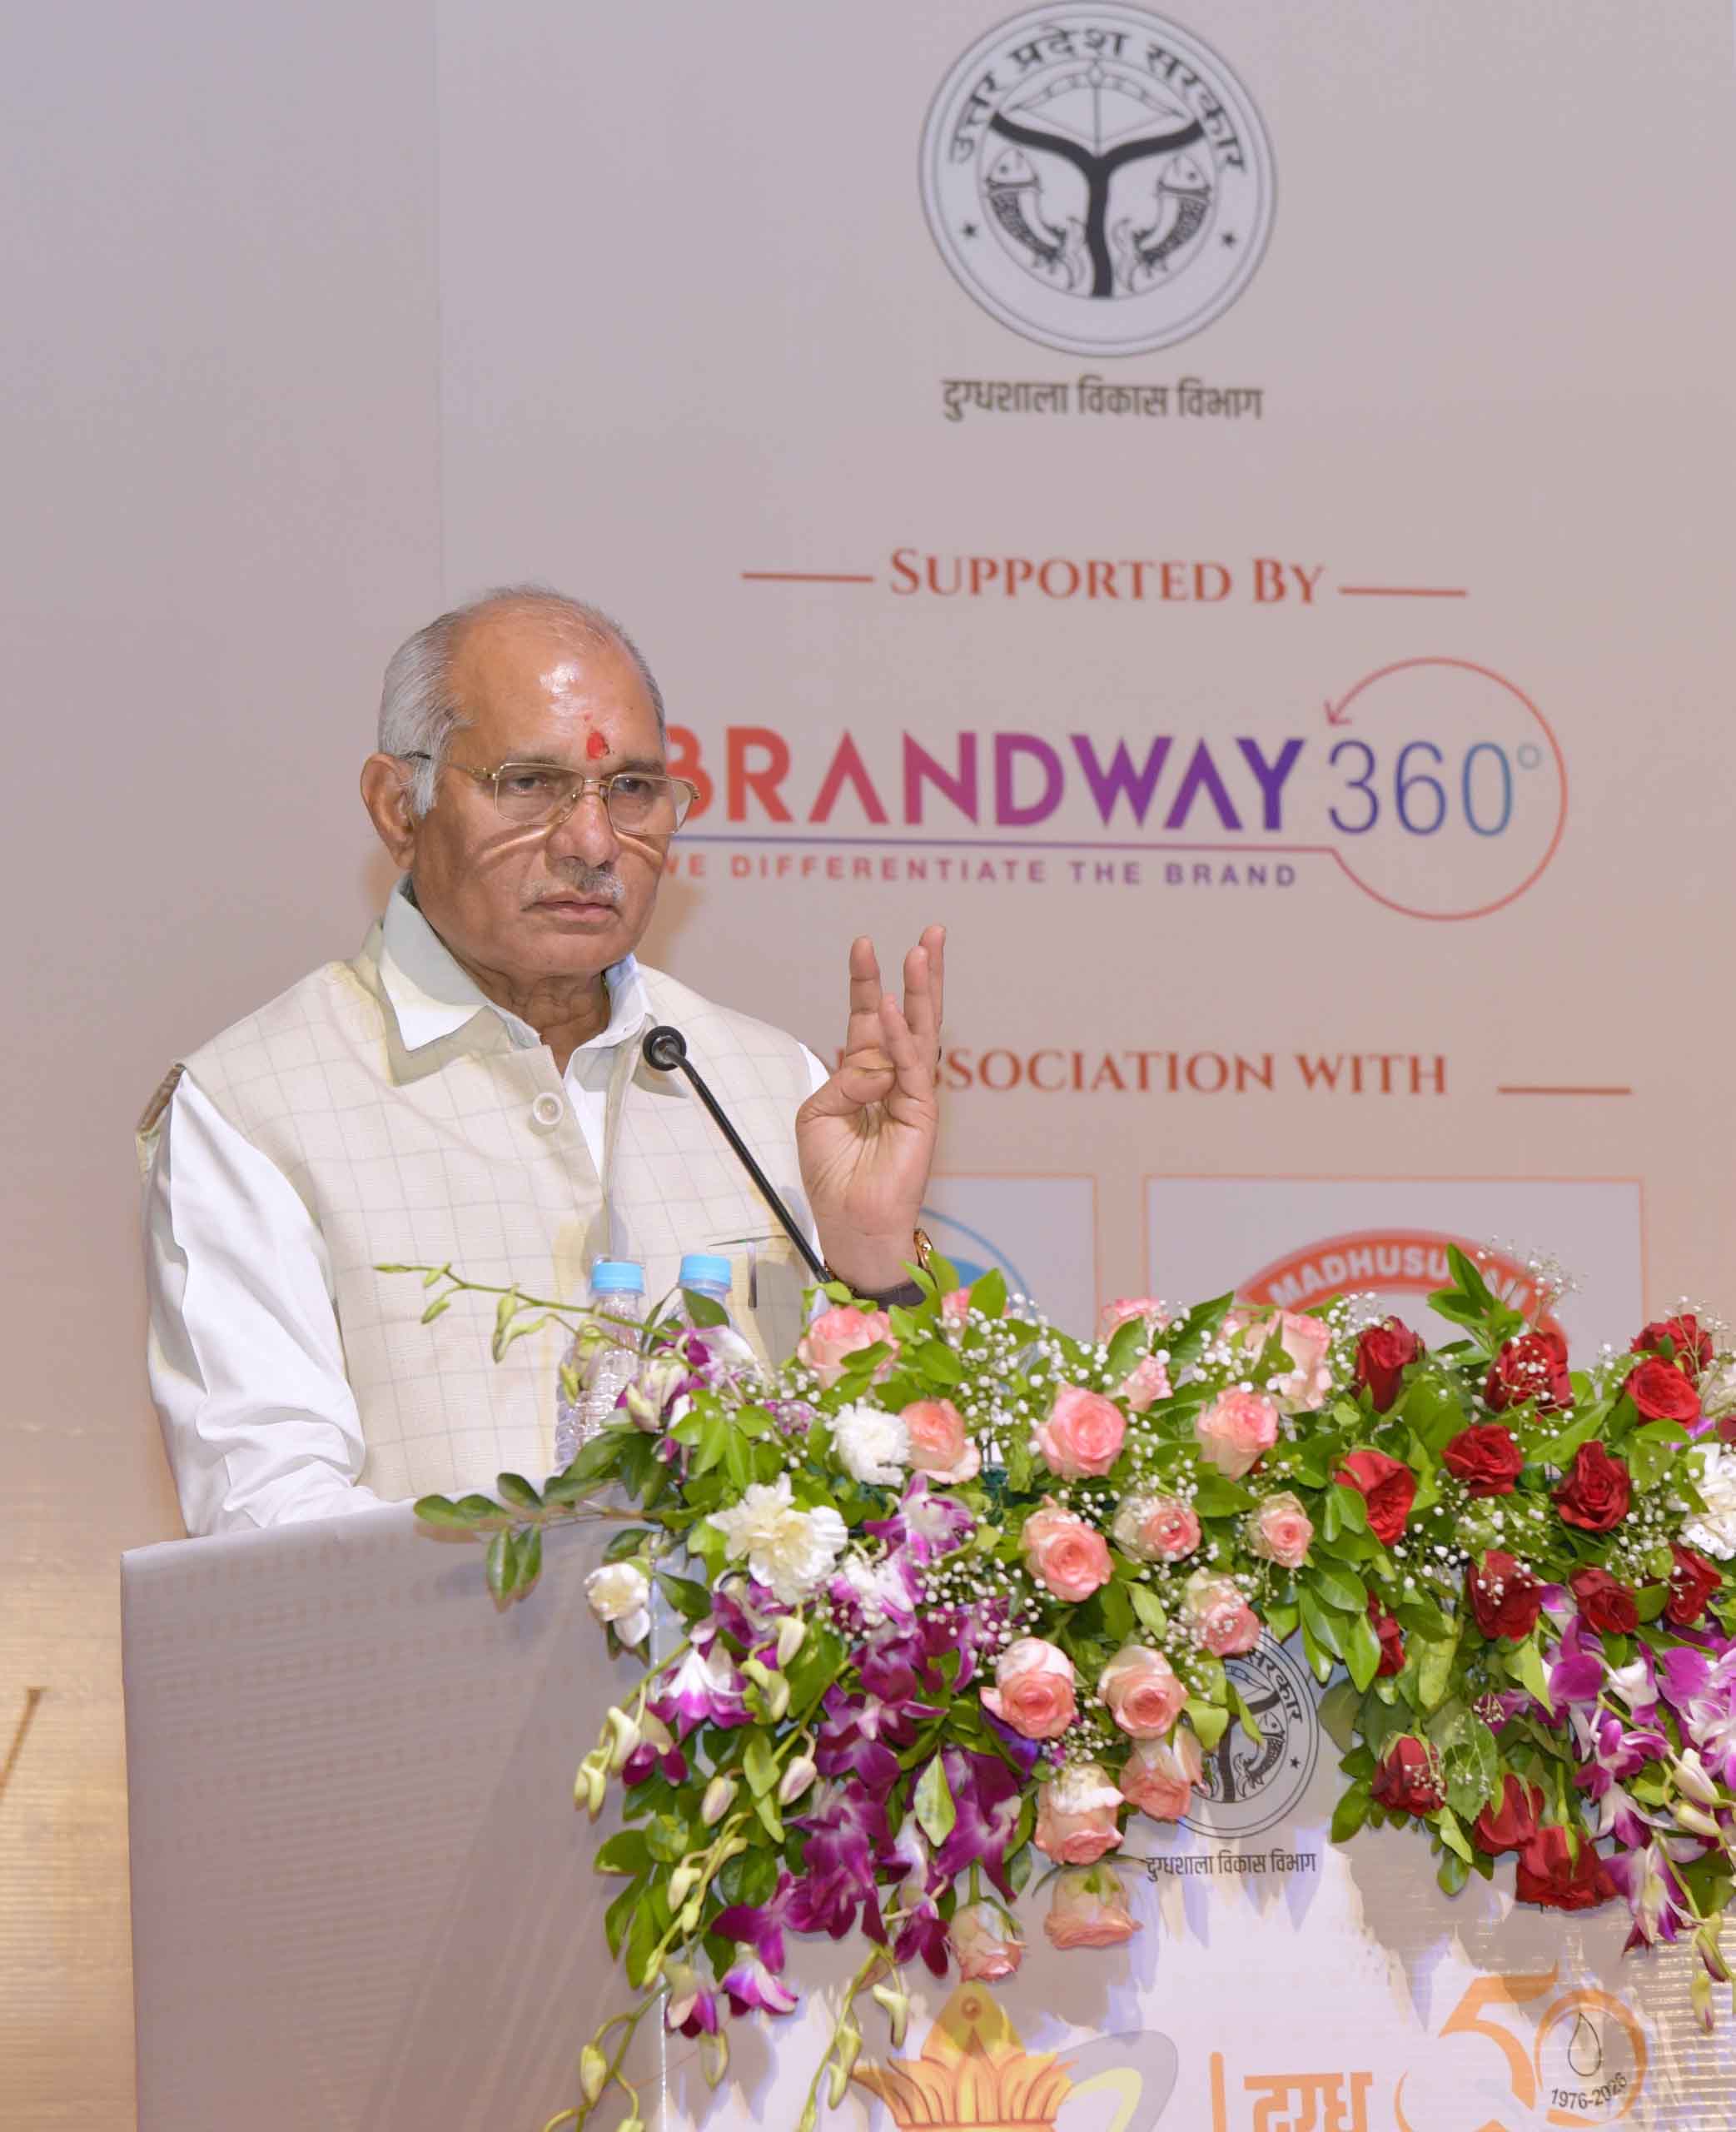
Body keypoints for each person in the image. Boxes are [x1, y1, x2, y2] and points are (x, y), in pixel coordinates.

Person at [138, 587, 944, 1534]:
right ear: (399, 808)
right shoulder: (254, 1107)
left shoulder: (773, 1086)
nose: (593, 842)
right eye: (528, 784)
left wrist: (874, 1270)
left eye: (631, 788)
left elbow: (897, 1511)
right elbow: (272, 1527)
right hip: (436, 1640)